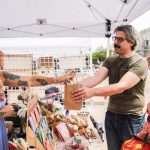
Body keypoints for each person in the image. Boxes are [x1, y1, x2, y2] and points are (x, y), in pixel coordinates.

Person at [72, 25, 149, 150]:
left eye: (120, 39)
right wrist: (71, 86)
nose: (115, 42)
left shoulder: (140, 63)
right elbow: (95, 78)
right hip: (111, 115)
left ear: (131, 42)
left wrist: (92, 92)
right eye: (114, 38)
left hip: (131, 118)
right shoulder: (111, 59)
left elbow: (121, 86)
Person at [0, 70, 75, 150]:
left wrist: (57, 79)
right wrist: (2, 113)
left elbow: (30, 80)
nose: (2, 57)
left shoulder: (1, 75)